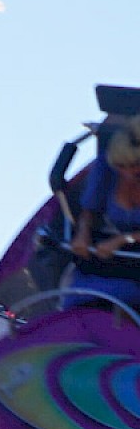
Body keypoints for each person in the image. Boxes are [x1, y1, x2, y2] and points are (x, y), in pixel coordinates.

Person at [68, 123, 140, 310]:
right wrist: (83, 232)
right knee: (80, 289)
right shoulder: (106, 169)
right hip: (119, 259)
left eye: (135, 166)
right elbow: (89, 209)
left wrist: (122, 240)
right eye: (121, 166)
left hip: (129, 253)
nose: (128, 173)